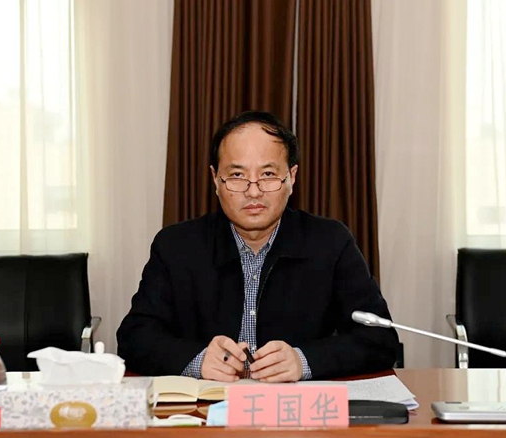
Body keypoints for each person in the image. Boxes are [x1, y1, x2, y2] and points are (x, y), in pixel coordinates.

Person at [117, 111, 398, 382]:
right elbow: (135, 337)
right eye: (237, 175)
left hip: (295, 410)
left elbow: (380, 340)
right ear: (215, 179)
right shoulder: (176, 246)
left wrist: (303, 361)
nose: (253, 191)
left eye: (268, 174)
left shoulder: (330, 242)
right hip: (206, 409)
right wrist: (198, 360)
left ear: (291, 177)